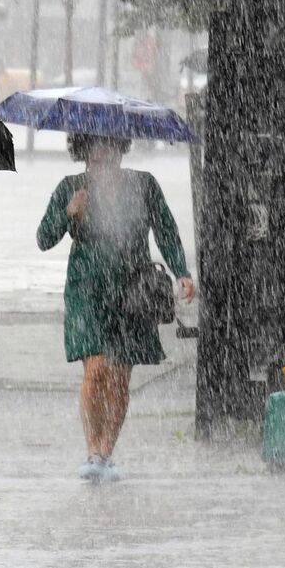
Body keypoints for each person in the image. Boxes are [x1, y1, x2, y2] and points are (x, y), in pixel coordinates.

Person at [36, 133, 196, 483]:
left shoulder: (144, 185)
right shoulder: (71, 187)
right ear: (83, 149)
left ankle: (106, 453)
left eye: (110, 144)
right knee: (95, 369)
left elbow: (166, 230)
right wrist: (68, 214)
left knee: (120, 376)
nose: (103, 152)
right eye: (95, 144)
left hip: (132, 290)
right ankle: (92, 451)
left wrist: (181, 271)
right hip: (86, 290)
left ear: (121, 147)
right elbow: (43, 239)